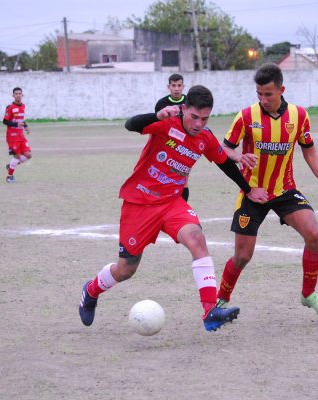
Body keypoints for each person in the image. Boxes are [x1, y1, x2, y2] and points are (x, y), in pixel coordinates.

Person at [78, 85, 268, 332]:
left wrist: (247, 188)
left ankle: (210, 311)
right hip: (139, 204)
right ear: (184, 109)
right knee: (126, 269)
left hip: (172, 203)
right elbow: (131, 124)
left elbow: (225, 164)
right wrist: (156, 116)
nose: (199, 124)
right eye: (194, 117)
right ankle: (91, 290)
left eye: (205, 118)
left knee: (197, 238)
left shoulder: (205, 138)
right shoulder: (166, 123)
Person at [216, 63, 318, 318]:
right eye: (259, 94)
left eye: (268, 94)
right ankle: (220, 301)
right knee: (243, 256)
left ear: (281, 89)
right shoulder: (245, 116)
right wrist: (239, 156)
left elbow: (309, 150)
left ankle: (308, 294)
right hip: (252, 192)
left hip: (284, 190)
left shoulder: (299, 116)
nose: (263, 100)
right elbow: (224, 149)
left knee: (314, 234)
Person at [155, 74, 192, 201]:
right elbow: (157, 126)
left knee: (183, 178)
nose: (176, 88)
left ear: (183, 87)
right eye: (174, 85)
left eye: (179, 85)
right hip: (167, 145)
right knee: (163, 175)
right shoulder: (162, 103)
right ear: (168, 87)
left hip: (184, 147)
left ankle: (181, 204)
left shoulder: (189, 102)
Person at [3, 87, 31, 183]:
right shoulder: (10, 107)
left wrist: (25, 126)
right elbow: (5, 121)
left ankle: (10, 166)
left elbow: (21, 119)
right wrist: (16, 124)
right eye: (16, 93)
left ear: (22, 95)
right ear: (13, 95)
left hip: (21, 135)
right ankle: (9, 176)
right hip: (12, 136)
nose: (18, 95)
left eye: (20, 93)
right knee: (17, 157)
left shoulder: (23, 106)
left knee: (28, 155)